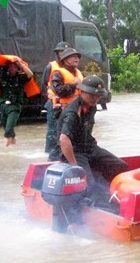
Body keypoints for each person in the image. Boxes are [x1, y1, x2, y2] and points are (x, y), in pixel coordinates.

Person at [55, 75, 128, 204]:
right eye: (92, 95)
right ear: (81, 92)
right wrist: (74, 166)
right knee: (87, 182)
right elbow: (64, 139)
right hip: (75, 151)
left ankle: (108, 193)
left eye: (99, 95)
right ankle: (92, 203)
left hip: (90, 147)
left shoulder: (91, 106)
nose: (96, 98)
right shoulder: (72, 112)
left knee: (120, 166)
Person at [48, 47, 84, 161]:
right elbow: (59, 91)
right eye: (73, 56)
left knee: (78, 138)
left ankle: (76, 158)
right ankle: (53, 161)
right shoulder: (58, 74)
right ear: (65, 60)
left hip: (78, 111)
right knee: (60, 139)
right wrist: (73, 85)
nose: (76, 58)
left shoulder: (78, 73)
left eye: (77, 56)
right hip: (63, 111)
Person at [0, 56, 34, 147]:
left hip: (14, 106)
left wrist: (20, 64)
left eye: (14, 67)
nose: (12, 68)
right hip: (3, 105)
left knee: (8, 129)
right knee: (7, 128)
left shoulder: (20, 77)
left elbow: (30, 74)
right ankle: (13, 146)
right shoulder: (3, 77)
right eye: (10, 66)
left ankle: (5, 150)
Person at [40, 41, 70, 154]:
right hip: (53, 103)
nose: (63, 54)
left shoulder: (71, 68)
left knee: (66, 130)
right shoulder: (51, 66)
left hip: (67, 104)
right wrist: (49, 100)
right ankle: (50, 153)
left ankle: (63, 152)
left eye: (65, 52)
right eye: (61, 52)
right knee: (52, 130)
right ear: (57, 53)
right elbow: (43, 85)